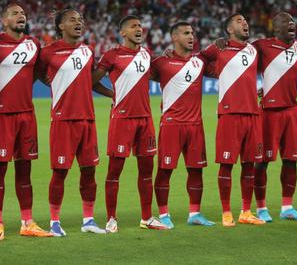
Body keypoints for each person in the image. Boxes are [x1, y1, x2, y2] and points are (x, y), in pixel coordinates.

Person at [38, 9, 111, 236]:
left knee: (89, 171)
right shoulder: (47, 52)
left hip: (87, 119)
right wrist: (53, 81)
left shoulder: (88, 51)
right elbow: (36, 73)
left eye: (81, 19)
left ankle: (88, 220)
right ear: (61, 26)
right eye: (72, 20)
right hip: (63, 120)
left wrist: (113, 94)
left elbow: (90, 81)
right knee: (60, 172)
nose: (78, 23)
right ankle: (54, 221)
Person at [92, 15, 167, 232]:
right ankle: (111, 218)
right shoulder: (112, 55)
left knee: (146, 170)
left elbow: (155, 74)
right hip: (122, 119)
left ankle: (147, 218)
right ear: (123, 32)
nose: (139, 29)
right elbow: (92, 81)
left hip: (145, 119)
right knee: (115, 171)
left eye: (140, 26)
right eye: (134, 26)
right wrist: (112, 94)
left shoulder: (146, 54)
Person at [0, 3, 52, 239]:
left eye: (23, 13)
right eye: (15, 13)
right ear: (4, 21)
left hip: (27, 115)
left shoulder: (33, 44)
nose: (21, 16)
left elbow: (37, 72)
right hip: (2, 115)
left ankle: (27, 222)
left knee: (25, 170)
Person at [200, 14, 264, 227]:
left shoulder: (254, 50)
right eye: (239, 21)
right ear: (228, 29)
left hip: (253, 114)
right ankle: (226, 212)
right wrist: (216, 71)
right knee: (226, 164)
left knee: (249, 164)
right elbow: (196, 61)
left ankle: (246, 211)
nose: (245, 23)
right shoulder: (219, 48)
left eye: (246, 20)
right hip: (229, 114)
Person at [151, 21, 216, 228]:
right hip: (172, 124)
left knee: (196, 171)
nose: (191, 37)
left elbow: (218, 56)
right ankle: (163, 214)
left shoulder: (200, 62)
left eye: (193, 33)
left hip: (195, 125)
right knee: (165, 170)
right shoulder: (161, 62)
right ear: (174, 38)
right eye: (186, 33)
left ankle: (194, 213)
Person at [252, 12, 297, 222]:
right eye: (286, 22)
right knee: (263, 161)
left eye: (293, 21)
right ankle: (261, 208)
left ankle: (287, 207)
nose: (291, 24)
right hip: (269, 113)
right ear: (275, 28)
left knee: (291, 161)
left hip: (292, 111)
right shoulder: (261, 46)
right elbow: (240, 60)